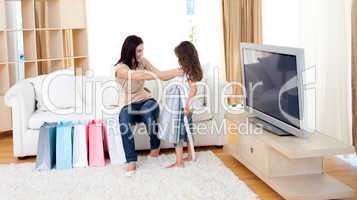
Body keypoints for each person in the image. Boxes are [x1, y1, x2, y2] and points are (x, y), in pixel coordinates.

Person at [115, 35, 183, 174]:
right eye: (138, 51)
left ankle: (155, 148)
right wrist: (153, 75)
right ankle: (131, 161)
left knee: (148, 111)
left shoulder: (143, 61)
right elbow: (137, 76)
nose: (141, 54)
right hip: (129, 105)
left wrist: (177, 71)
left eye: (142, 50)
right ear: (130, 51)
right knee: (123, 119)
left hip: (146, 100)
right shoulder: (120, 69)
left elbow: (160, 75)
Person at [160, 41, 203, 168]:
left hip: (182, 106)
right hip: (186, 105)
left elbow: (193, 89)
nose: (178, 60)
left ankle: (179, 162)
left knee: (177, 132)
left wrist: (187, 105)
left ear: (184, 57)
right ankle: (190, 155)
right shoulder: (191, 70)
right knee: (188, 130)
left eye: (179, 57)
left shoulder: (187, 71)